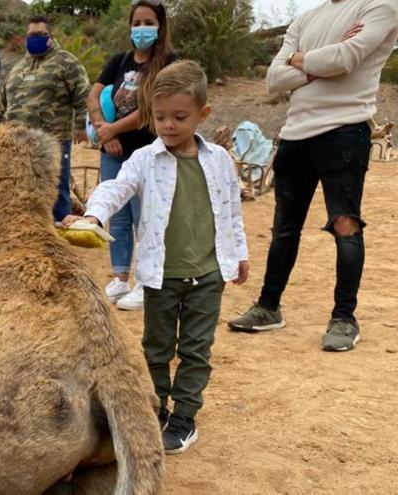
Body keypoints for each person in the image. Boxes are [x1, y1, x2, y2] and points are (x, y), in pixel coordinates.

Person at [64, 61, 249, 454]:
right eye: (159, 117)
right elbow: (117, 186)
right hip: (161, 277)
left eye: (179, 117)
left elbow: (232, 210)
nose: (168, 125)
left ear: (203, 115)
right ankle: (156, 409)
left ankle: (184, 416)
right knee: (157, 348)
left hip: (209, 275)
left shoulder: (219, 161)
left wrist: (240, 255)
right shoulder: (146, 159)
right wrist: (94, 213)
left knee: (196, 350)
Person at [228, 0, 398, 353]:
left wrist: (300, 58)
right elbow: (274, 79)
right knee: (284, 228)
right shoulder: (305, 18)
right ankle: (268, 307)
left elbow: (345, 59)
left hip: (346, 131)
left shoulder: (380, 6)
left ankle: (343, 317)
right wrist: (321, 60)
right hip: (294, 135)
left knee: (345, 226)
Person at [87, 0, 177, 311]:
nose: (141, 29)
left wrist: (113, 130)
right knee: (119, 216)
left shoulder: (167, 62)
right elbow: (94, 94)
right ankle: (120, 278)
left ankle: (145, 281)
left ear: (160, 26)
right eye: (136, 23)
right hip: (113, 149)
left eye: (148, 22)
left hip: (148, 150)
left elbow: (152, 109)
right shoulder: (119, 60)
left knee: (146, 216)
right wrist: (102, 128)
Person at [0, 15, 90, 222]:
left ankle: (59, 236)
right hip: (17, 142)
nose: (35, 39)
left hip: (54, 140)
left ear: (51, 36)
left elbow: (83, 95)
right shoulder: (18, 67)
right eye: (31, 35)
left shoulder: (66, 61)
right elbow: (4, 103)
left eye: (41, 34)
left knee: (56, 189)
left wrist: (80, 126)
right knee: (20, 190)